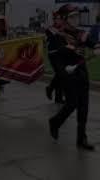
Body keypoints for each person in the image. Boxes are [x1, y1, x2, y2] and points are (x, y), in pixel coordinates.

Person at [49, 4, 100, 151]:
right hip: (68, 74)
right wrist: (63, 71)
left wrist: (97, 47)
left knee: (84, 106)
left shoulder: (81, 33)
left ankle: (81, 139)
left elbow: (91, 42)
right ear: (65, 19)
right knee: (71, 104)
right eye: (73, 17)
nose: (76, 19)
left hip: (82, 72)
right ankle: (55, 122)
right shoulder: (57, 36)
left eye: (77, 16)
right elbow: (55, 57)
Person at [45, 11, 66, 104]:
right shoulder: (50, 29)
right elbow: (54, 33)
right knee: (61, 73)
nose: (59, 20)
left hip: (61, 54)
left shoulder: (63, 28)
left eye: (60, 19)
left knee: (60, 75)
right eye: (57, 19)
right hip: (53, 54)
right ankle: (50, 88)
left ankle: (58, 97)